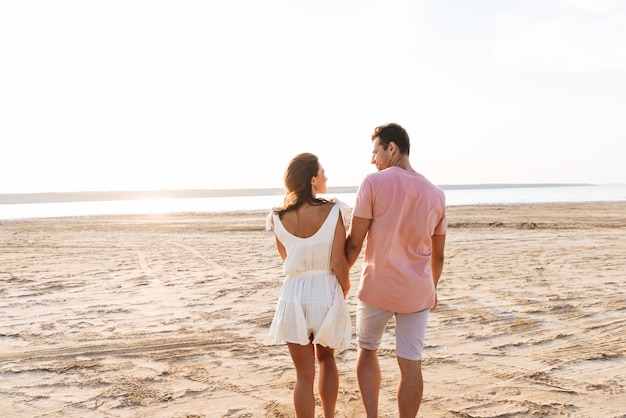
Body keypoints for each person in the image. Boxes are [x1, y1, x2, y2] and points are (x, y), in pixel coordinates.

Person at [345, 123, 447, 418]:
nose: (372, 159)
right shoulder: (437, 195)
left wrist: (339, 279)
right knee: (411, 363)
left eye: (375, 151)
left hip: (377, 287)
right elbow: (438, 256)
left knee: (367, 350)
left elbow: (355, 242)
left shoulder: (373, 183)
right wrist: (432, 288)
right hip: (416, 293)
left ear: (391, 148)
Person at [266, 152, 352, 418]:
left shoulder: (277, 217)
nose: (326, 176)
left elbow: (287, 258)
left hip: (293, 294)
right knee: (326, 359)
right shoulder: (334, 209)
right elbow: (338, 261)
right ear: (313, 179)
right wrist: (344, 289)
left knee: (303, 375)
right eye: (323, 171)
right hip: (325, 288)